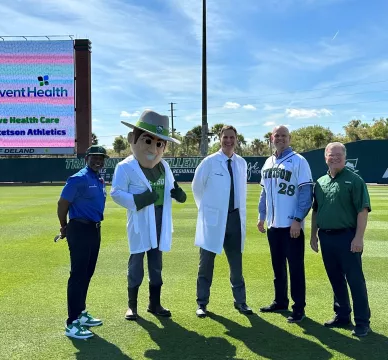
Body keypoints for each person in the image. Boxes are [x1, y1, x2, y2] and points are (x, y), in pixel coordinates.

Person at [111, 110, 187, 321]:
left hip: (161, 219)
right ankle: (132, 306)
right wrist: (139, 200)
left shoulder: (164, 166)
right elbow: (116, 193)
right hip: (140, 220)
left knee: (156, 263)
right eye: (148, 141)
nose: (154, 148)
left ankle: (155, 303)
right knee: (136, 261)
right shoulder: (125, 167)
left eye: (160, 143)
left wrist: (179, 194)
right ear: (132, 139)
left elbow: (172, 188)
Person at [311, 142, 371, 337]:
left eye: (338, 155)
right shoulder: (320, 182)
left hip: (347, 237)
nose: (334, 158)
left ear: (345, 158)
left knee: (355, 280)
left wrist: (358, 238)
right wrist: (313, 235)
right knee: (335, 279)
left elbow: (362, 211)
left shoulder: (355, 180)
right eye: (331, 154)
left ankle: (362, 322)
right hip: (326, 237)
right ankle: (342, 315)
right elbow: (316, 210)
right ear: (325, 157)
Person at [192, 125, 252, 318]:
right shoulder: (209, 162)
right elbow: (197, 188)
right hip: (214, 220)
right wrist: (208, 211)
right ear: (219, 139)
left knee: (236, 264)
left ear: (236, 139)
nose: (228, 140)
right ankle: (202, 303)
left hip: (235, 218)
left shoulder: (241, 163)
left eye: (232, 137)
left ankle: (241, 301)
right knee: (206, 264)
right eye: (225, 137)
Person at [257, 125, 313, 323]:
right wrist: (261, 216)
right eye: (277, 135)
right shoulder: (268, 161)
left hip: (292, 226)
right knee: (277, 267)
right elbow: (264, 192)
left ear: (289, 138)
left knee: (296, 268)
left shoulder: (299, 161)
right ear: (272, 138)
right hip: (274, 225)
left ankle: (299, 308)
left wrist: (298, 220)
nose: (280, 138)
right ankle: (280, 301)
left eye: (284, 135)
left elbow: (306, 194)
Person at [57, 145, 109, 339]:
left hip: (94, 229)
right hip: (79, 228)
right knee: (78, 275)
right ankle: (72, 322)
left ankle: (80, 314)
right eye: (94, 157)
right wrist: (64, 226)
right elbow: (62, 204)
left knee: (87, 273)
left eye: (101, 158)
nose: (98, 160)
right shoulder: (78, 178)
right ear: (86, 158)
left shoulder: (98, 178)